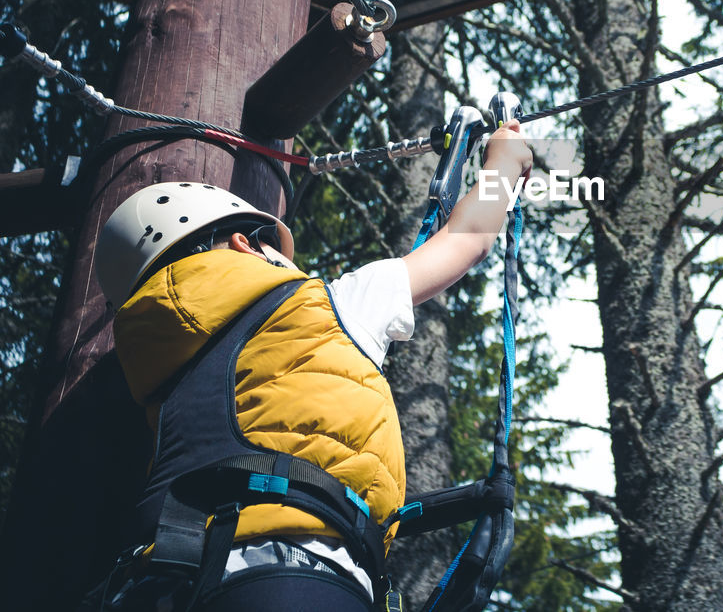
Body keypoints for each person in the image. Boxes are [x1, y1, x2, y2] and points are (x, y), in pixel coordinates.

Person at [90, 122, 532, 612]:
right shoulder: (322, 304)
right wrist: (506, 165)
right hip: (298, 578)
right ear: (243, 243)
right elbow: (468, 239)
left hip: (166, 586)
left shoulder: (153, 387)